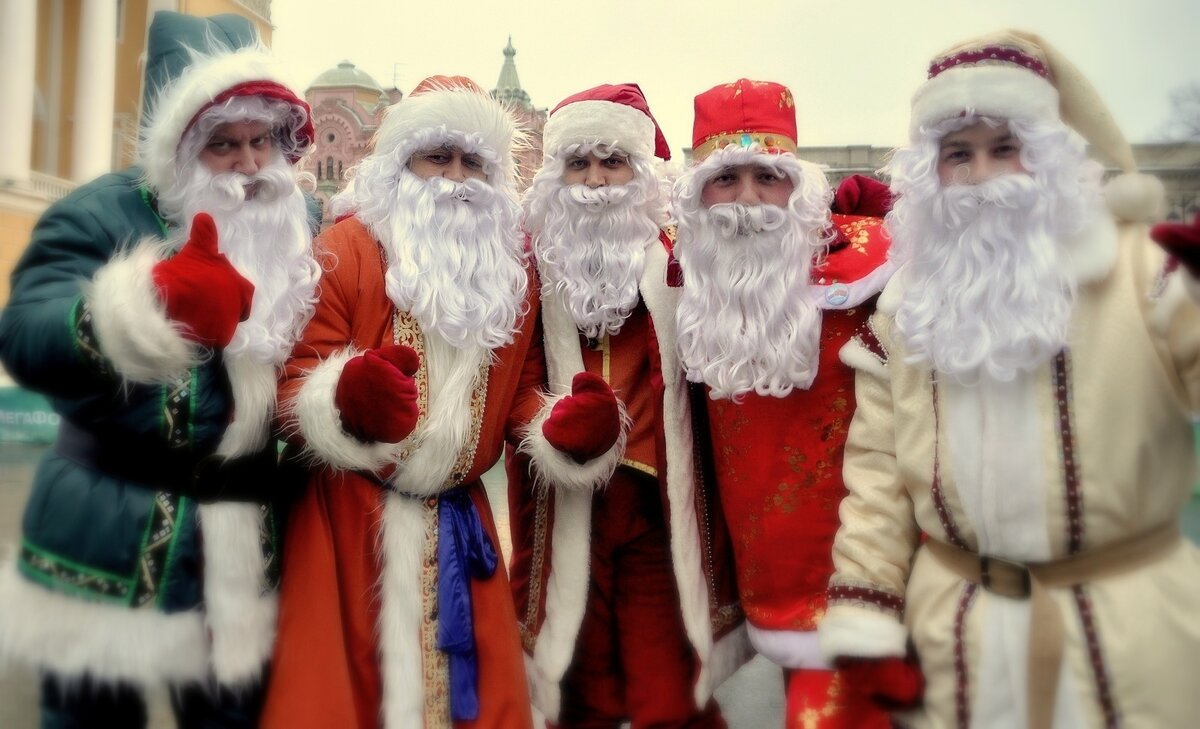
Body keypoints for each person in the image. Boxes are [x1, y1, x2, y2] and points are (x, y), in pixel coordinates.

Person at [818, 30, 1200, 729]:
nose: (982, 174)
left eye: (1006, 148)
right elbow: (876, 476)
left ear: (1049, 158)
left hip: (1133, 635)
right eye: (958, 155)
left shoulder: (1143, 275)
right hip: (958, 642)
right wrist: (867, 606)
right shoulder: (908, 304)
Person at [0, 10, 319, 729]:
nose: (247, 164)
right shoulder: (97, 215)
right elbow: (26, 333)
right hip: (104, 527)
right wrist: (146, 305)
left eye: (261, 140)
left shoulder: (304, 226)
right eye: (223, 144)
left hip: (244, 550)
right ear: (179, 147)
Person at [260, 75, 542, 729]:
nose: (455, 176)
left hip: (461, 521)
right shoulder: (344, 251)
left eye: (474, 161)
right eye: (436, 156)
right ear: (399, 165)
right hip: (350, 520)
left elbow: (523, 386)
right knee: (345, 695)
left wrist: (561, 427)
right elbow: (295, 376)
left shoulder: (511, 276)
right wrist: (344, 398)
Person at [509, 83, 747, 728]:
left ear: (642, 173)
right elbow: (513, 378)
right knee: (576, 686)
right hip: (565, 503)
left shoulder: (682, 259)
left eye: (612, 163)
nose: (594, 181)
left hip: (657, 504)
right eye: (578, 164)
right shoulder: (530, 266)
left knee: (667, 689)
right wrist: (547, 424)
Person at [671, 78, 902, 729]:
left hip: (869, 586)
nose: (748, 200)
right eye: (727, 179)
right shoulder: (689, 275)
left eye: (768, 176)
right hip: (763, 590)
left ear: (799, 188)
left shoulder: (872, 274)